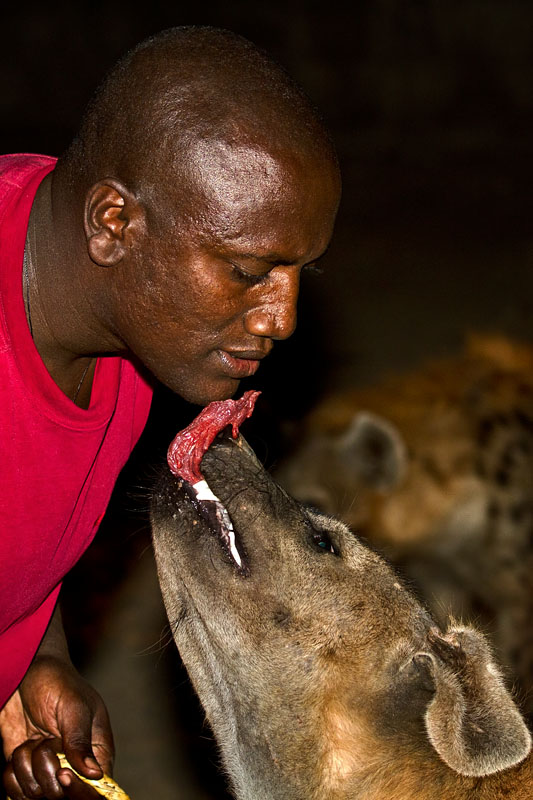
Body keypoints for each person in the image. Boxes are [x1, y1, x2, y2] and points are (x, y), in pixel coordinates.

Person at [0, 25, 341, 799]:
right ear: (114, 224)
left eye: (297, 272)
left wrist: (33, 656)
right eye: (249, 271)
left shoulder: (110, 316)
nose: (280, 317)